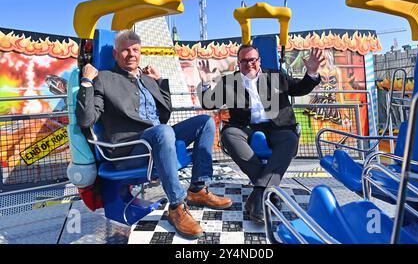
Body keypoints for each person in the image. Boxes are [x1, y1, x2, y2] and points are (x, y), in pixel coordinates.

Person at [76, 30, 232, 239]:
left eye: (135, 50)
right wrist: (86, 81)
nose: (131, 54)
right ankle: (176, 206)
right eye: (125, 50)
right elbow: (86, 120)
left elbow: (165, 114)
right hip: (130, 147)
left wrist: (159, 82)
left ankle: (197, 189)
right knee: (163, 132)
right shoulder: (104, 79)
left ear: (140, 53)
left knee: (204, 122)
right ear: (115, 54)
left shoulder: (146, 79)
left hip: (158, 136)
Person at [198, 44, 324, 223]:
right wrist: (205, 83)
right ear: (238, 63)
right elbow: (208, 104)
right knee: (228, 135)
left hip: (277, 126)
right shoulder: (229, 82)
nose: (249, 64)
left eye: (253, 60)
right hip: (244, 127)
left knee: (290, 139)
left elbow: (299, 88)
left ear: (259, 60)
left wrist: (311, 72)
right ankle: (267, 191)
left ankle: (258, 195)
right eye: (244, 61)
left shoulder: (275, 76)